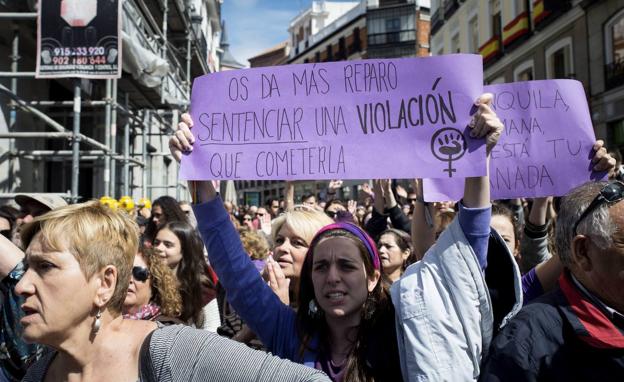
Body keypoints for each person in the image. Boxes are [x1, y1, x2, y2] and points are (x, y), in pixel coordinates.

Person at [169, 97, 501, 381]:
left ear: (372, 277)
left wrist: (477, 160)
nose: (332, 277)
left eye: (346, 266)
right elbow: (235, 273)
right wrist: (198, 172)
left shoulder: (404, 332)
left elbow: (465, 260)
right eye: (321, 266)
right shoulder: (292, 334)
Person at [0, 201, 330, 382]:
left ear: (105, 283)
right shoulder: (38, 375)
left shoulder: (171, 353)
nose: (22, 284)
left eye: (45, 267)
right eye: (27, 267)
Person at [480, 180, 624, 381]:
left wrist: (593, 176)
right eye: (484, 240)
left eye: (503, 239)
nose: (493, 248)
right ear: (582, 252)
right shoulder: (526, 341)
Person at [153, 221, 216, 329]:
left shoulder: (200, 286)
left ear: (184, 250)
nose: (159, 248)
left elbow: (212, 328)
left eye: (168, 245)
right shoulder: (147, 279)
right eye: (156, 242)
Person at [123, 246, 183, 324]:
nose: (129, 279)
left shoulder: (169, 328)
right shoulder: (103, 320)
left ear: (154, 285)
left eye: (138, 273)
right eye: (124, 272)